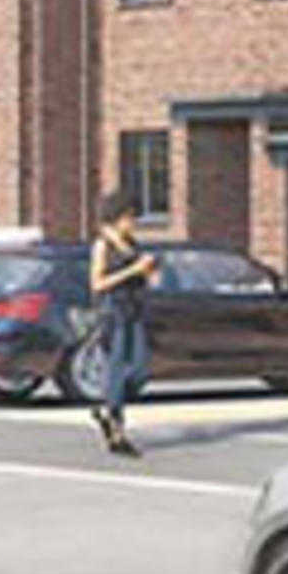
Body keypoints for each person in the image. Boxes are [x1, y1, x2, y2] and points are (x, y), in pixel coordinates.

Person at [84, 185, 157, 458]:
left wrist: (148, 273)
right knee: (116, 368)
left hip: (134, 309)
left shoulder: (133, 245)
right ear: (118, 216)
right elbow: (97, 283)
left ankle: (108, 408)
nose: (133, 223)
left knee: (139, 368)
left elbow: (142, 277)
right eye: (130, 217)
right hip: (112, 311)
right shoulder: (102, 245)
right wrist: (132, 270)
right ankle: (116, 429)